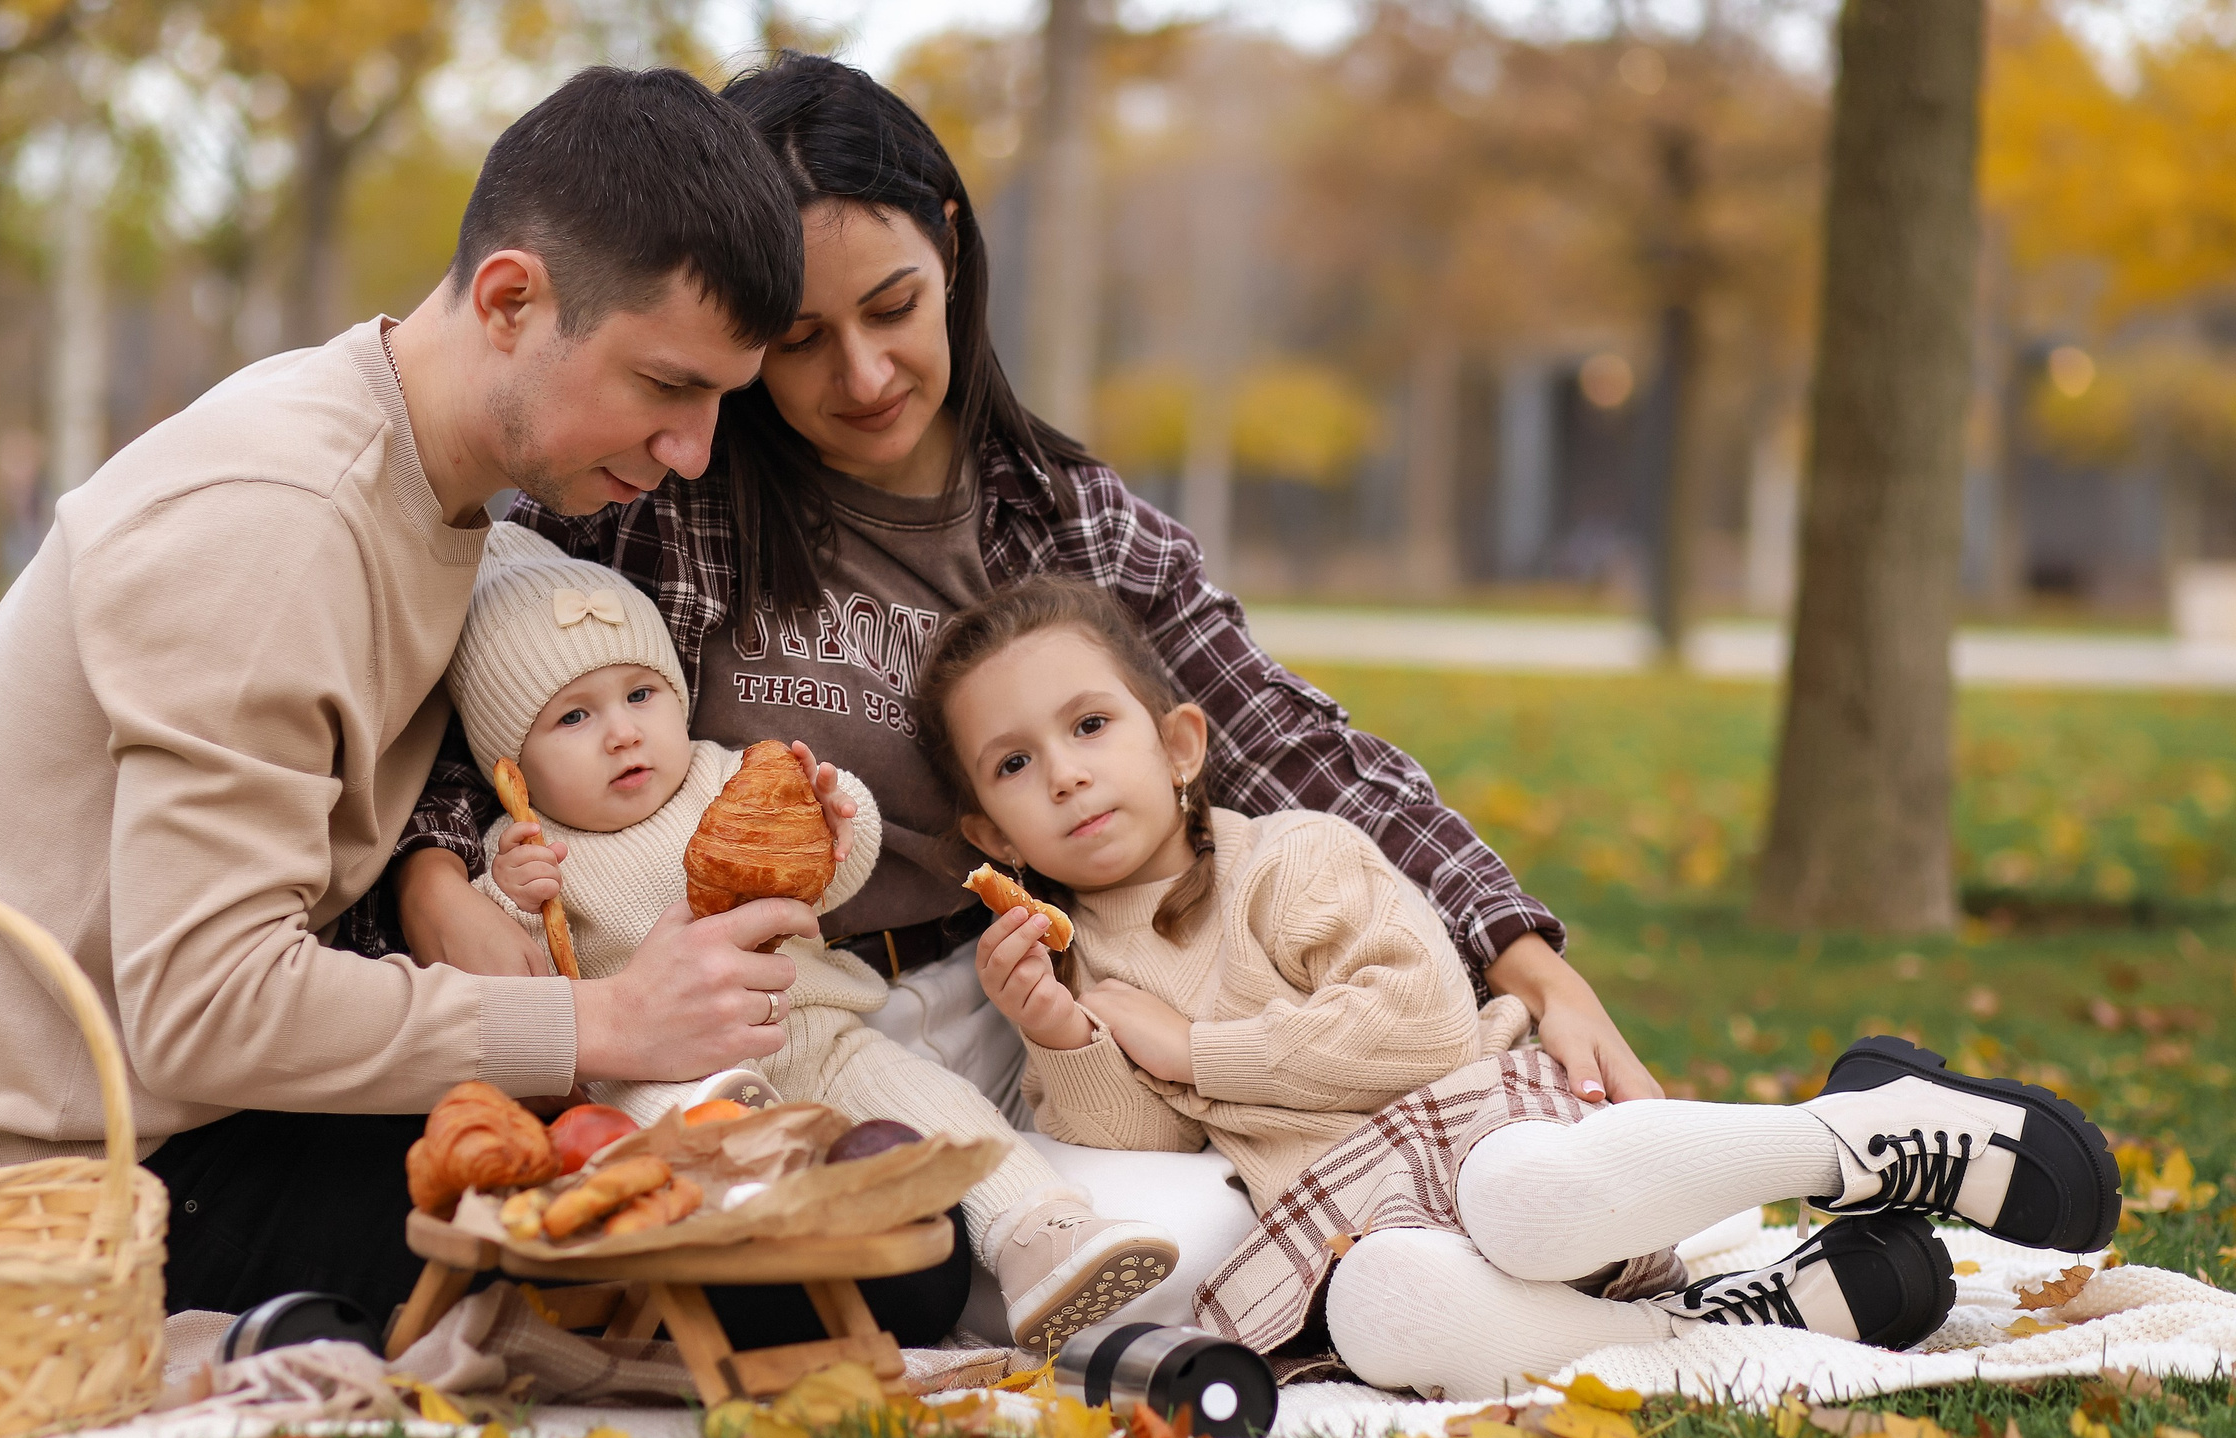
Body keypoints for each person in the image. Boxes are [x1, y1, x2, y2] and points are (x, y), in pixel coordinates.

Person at [381, 54, 1658, 1229]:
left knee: (1187, 1225)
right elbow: (489, 687)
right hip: (749, 1018)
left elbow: (1276, 734)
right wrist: (440, 867)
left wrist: (1516, 946)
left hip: (1019, 1013)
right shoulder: (670, 493)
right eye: (802, 341)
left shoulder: (1070, 523)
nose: (867, 373)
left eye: (894, 307)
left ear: (949, 247)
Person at [0, 68, 826, 1328]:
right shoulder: (280, 527)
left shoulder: (407, 467)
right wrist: (603, 1020)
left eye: (719, 400)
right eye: (666, 386)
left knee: (791, 1192)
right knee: (817, 1263)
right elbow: (203, 1009)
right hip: (94, 1188)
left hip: (201, 1120)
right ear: (509, 299)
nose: (693, 451)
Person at [909, 575, 2126, 1399]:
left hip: (1501, 1144)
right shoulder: (1081, 965)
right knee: (1385, 1318)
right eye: (1017, 762)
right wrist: (1064, 1036)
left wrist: (1196, 1047)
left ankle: (1866, 1135)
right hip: (1360, 1225)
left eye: (1088, 726)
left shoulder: (1290, 858)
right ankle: (1750, 1324)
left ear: (1176, 745)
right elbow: (1152, 1144)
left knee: (1516, 1188)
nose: (1064, 774)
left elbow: (1419, 1023)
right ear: (988, 829)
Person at [441, 528, 1177, 1350]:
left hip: (822, 1036)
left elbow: (835, 872)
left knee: (938, 1109)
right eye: (575, 716)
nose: (622, 732)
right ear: (510, 766)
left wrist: (833, 822)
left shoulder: (727, 775)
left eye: (641, 695)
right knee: (660, 1118)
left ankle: (1042, 1234)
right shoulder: (530, 856)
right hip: (658, 1071)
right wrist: (508, 900)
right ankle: (746, 1183)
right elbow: (525, 988)